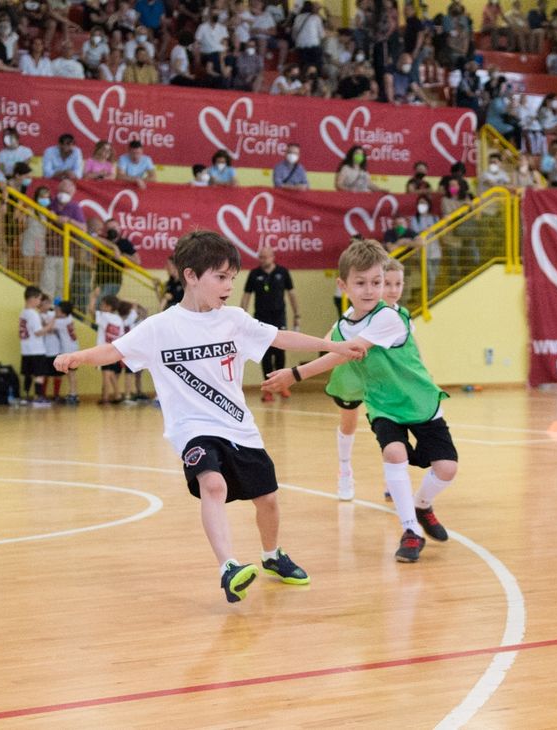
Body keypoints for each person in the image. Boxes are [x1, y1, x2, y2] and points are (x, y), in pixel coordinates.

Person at [55, 230, 365, 602]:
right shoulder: (160, 327)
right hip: (192, 429)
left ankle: (272, 555)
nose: (229, 285)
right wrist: (78, 357)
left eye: (232, 278)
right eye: (220, 277)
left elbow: (280, 337)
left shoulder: (233, 319)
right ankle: (228, 567)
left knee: (267, 499)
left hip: (238, 425)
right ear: (190, 276)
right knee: (213, 485)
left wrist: (331, 345)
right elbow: (114, 350)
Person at [263, 239, 457, 563]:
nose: (370, 290)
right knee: (394, 453)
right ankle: (410, 530)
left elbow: (344, 353)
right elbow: (334, 348)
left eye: (377, 283)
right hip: (383, 404)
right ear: (343, 285)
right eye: (361, 283)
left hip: (421, 402)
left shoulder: (389, 318)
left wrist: (295, 374)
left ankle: (422, 505)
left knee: (447, 469)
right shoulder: (342, 326)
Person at [330, 255, 407, 501]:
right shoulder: (353, 316)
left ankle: (391, 481)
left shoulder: (400, 316)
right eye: (388, 284)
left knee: (391, 430)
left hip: (384, 381)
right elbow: (329, 341)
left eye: (398, 284)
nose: (392, 290)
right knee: (348, 424)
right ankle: (345, 470)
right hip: (351, 378)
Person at [239, 245, 300, 401]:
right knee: (264, 354)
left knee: (280, 352)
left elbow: (292, 294)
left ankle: (282, 385)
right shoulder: (254, 274)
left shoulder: (282, 272)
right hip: (261, 318)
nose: (263, 260)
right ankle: (268, 389)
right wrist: (240, 316)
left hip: (279, 317)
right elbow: (246, 296)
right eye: (260, 257)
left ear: (273, 257)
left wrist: (297, 315)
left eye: (266, 256)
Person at [19, 285, 56, 405]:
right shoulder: (33, 314)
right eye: (39, 299)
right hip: (36, 349)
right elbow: (38, 332)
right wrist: (50, 325)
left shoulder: (23, 313)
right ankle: (39, 397)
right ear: (32, 299)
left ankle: (25, 397)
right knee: (40, 374)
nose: (40, 302)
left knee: (28, 374)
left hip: (26, 349)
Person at [52, 300, 80, 404]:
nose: (55, 312)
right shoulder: (69, 318)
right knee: (71, 374)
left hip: (69, 350)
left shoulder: (60, 322)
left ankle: (73, 394)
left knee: (71, 374)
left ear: (63, 313)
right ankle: (73, 393)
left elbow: (48, 324)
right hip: (73, 348)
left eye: (57, 311)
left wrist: (53, 315)